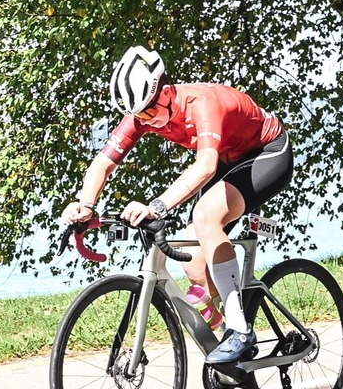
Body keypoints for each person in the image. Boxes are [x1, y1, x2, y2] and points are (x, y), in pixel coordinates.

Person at [62, 47, 291, 366]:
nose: (146, 121)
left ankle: (240, 331)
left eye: (148, 111)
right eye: (139, 116)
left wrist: (157, 205)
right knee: (195, 265)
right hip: (229, 159)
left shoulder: (202, 103)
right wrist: (86, 205)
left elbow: (206, 166)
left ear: (167, 91)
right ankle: (229, 346)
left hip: (266, 152)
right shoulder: (144, 113)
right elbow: (102, 164)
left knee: (205, 217)